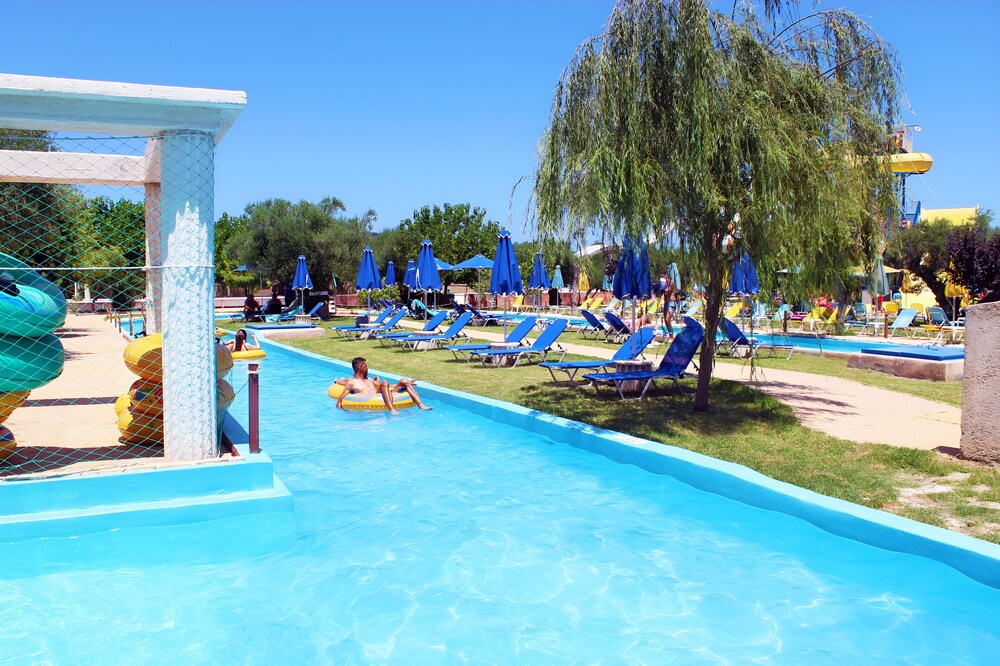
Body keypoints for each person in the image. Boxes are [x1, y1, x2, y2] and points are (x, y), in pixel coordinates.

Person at [335, 357, 431, 414]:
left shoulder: (369, 380)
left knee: (404, 380)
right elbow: (339, 401)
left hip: (380, 395)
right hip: (371, 401)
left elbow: (387, 386)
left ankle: (421, 405)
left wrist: (406, 383)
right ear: (361, 367)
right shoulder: (352, 383)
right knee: (384, 382)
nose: (368, 368)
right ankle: (392, 410)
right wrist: (344, 413)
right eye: (366, 366)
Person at [661, 273, 677, 339]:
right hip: (666, 303)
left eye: (663, 276)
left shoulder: (671, 282)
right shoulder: (663, 283)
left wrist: (662, 286)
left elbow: (667, 292)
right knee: (666, 321)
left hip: (671, 302)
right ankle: (671, 336)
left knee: (667, 319)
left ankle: (671, 337)